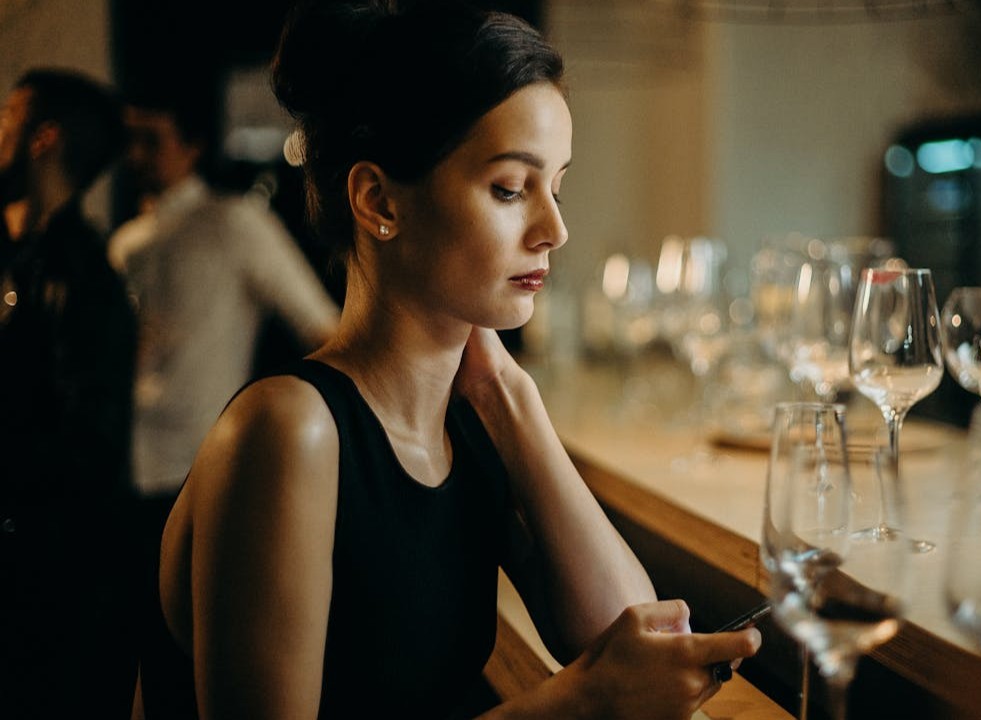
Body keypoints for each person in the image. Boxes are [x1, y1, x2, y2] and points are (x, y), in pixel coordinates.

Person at [135, 1, 761, 718]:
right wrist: (576, 706)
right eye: (508, 188)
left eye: (556, 185)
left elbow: (628, 633)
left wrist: (509, 397)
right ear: (378, 201)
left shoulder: (472, 423)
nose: (555, 229)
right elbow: (608, 685)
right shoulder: (287, 432)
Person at [107, 78, 341, 522]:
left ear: (193, 145)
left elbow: (319, 325)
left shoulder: (233, 223)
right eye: (130, 140)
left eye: (151, 140)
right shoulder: (122, 244)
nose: (135, 156)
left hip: (200, 463)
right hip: (123, 463)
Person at [0, 67, 138, 717]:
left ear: (42, 136)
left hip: (44, 599)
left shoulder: (89, 287)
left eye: (9, 114)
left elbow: (90, 452)